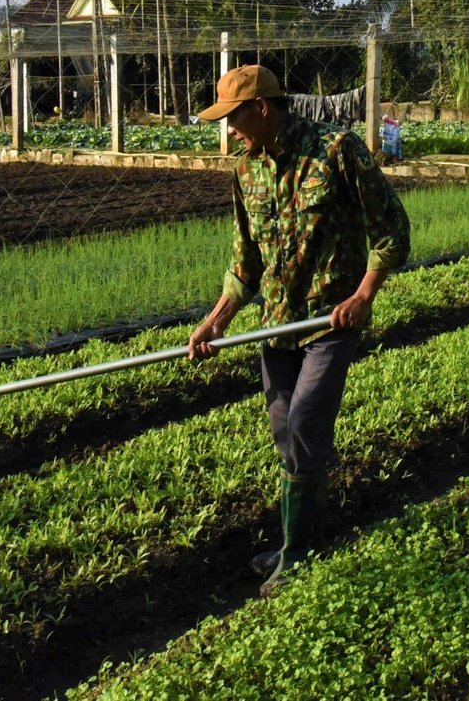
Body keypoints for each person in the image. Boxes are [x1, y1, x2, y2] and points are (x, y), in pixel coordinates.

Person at [186, 65, 410, 594]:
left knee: (306, 425)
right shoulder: (246, 170)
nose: (229, 129)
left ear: (261, 108)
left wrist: (362, 296)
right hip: (276, 326)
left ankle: (300, 553)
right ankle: (297, 540)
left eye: (233, 118)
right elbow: (245, 263)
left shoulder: (337, 150)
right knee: (285, 432)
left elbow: (391, 231)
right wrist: (215, 321)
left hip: (329, 320)